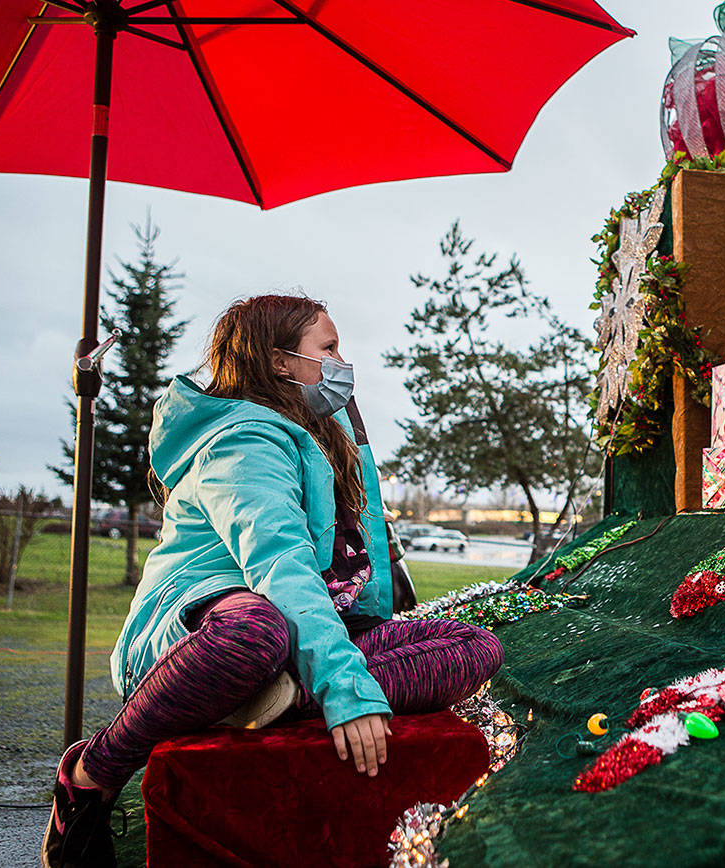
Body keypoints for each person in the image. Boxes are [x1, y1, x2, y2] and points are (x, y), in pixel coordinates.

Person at [42, 295, 504, 868]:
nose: (342, 362)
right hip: (207, 636)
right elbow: (280, 569)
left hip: (296, 637)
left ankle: (274, 697)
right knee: (258, 632)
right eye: (328, 349)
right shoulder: (243, 444)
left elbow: (354, 566)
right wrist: (346, 691)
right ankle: (93, 770)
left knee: (473, 644)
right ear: (282, 362)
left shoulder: (315, 433)